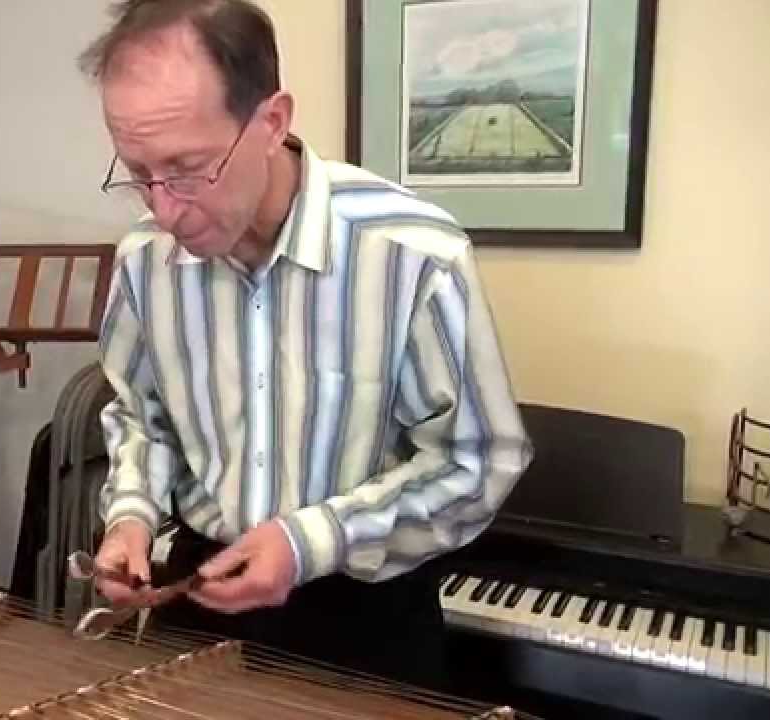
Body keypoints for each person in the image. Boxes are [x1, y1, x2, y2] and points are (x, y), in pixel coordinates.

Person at [78, 0, 533, 691]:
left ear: (271, 121)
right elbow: (142, 417)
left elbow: (476, 460)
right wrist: (131, 517)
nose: (164, 210)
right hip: (199, 597)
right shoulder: (144, 260)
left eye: (188, 168)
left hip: (363, 615)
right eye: (139, 172)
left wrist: (307, 542)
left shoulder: (413, 254)